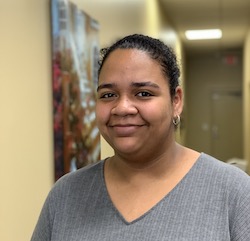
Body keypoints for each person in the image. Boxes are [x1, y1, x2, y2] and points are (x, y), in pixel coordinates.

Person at [31, 34, 250, 241]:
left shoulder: (234, 192)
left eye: (143, 93)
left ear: (176, 101)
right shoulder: (65, 195)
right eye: (108, 95)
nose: (122, 108)